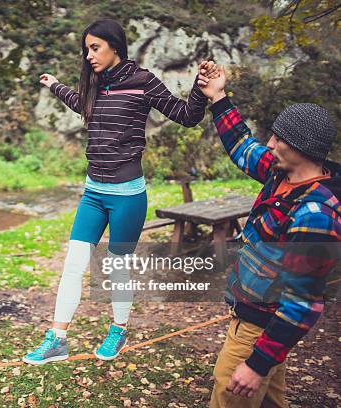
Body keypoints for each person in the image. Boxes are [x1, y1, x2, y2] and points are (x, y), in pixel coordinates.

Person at [22, 17, 219, 365]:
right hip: (93, 193)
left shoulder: (143, 82)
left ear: (115, 46)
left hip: (127, 196)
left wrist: (199, 90)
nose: (89, 56)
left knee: (117, 267)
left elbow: (186, 115)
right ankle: (57, 338)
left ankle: (118, 328)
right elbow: (78, 101)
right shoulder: (96, 85)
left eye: (95, 48)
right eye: (86, 50)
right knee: (73, 264)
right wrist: (54, 85)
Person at [196, 65, 340, 407]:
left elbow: (303, 302)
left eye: (278, 139)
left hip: (261, 327)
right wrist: (217, 96)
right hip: (254, 318)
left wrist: (257, 363)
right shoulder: (281, 174)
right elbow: (243, 146)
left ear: (301, 149)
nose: (270, 143)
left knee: (229, 393)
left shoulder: (315, 214)